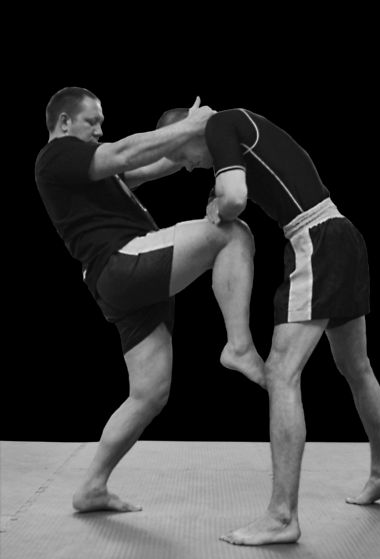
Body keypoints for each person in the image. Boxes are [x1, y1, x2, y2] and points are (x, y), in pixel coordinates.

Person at [157, 106, 380, 545]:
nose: (188, 167)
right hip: (343, 232)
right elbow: (243, 182)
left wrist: (220, 207)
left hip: (316, 242)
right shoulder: (238, 125)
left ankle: (281, 516)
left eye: (181, 157)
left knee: (281, 374)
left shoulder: (219, 125)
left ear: (187, 132)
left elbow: (235, 199)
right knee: (357, 367)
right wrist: (216, 198)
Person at [35, 88, 264, 514]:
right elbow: (124, 152)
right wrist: (190, 127)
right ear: (64, 123)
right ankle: (238, 346)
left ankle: (92, 487)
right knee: (233, 234)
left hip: (120, 285)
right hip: (123, 263)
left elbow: (153, 162)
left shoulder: (90, 175)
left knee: (149, 393)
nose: (100, 131)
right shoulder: (57, 156)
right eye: (92, 122)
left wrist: (187, 141)